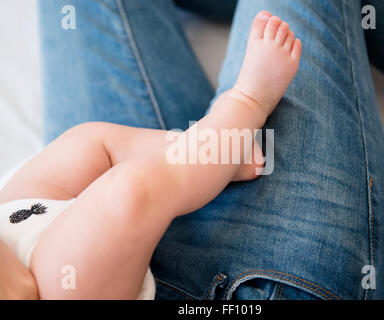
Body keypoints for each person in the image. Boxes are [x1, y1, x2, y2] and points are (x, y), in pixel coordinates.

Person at [5, 0, 384, 300]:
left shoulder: (12, 229)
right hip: (251, 282)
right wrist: (239, 112)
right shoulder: (65, 280)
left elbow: (86, 146)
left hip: (151, 213)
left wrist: (192, 147)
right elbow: (136, 193)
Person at [0, 12, 301, 299]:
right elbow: (133, 193)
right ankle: (246, 104)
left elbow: (95, 147)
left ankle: (209, 149)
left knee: (84, 147)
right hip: (53, 289)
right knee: (130, 194)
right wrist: (243, 105)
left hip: (14, 230)